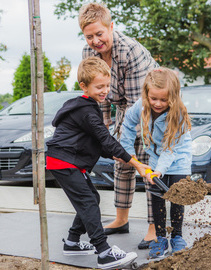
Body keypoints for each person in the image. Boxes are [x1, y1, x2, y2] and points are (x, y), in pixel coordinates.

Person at [46, 57, 150, 269]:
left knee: (91, 198)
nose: (105, 91)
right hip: (65, 162)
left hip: (64, 161)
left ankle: (73, 242)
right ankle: (103, 252)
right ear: (84, 86)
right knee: (89, 203)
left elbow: (96, 142)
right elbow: (105, 138)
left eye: (107, 85)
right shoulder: (86, 110)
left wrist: (115, 154)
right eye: (99, 86)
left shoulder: (86, 106)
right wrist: (136, 163)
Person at [78, 2, 159, 248]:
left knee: (145, 163)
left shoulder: (130, 52)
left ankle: (155, 226)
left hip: (152, 109)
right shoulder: (88, 54)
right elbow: (97, 95)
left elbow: (138, 106)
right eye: (89, 36)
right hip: (126, 108)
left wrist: (122, 145)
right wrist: (104, 132)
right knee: (121, 164)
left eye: (99, 34)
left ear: (111, 26)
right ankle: (121, 219)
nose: (95, 41)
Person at [119, 67, 192, 258]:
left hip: (178, 157)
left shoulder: (178, 115)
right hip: (155, 157)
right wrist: (129, 154)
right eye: (153, 99)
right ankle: (160, 238)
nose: (157, 103)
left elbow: (170, 150)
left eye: (163, 99)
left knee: (177, 197)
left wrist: (158, 171)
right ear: (146, 94)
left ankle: (177, 236)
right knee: (157, 199)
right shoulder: (141, 106)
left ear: (173, 97)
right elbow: (127, 125)